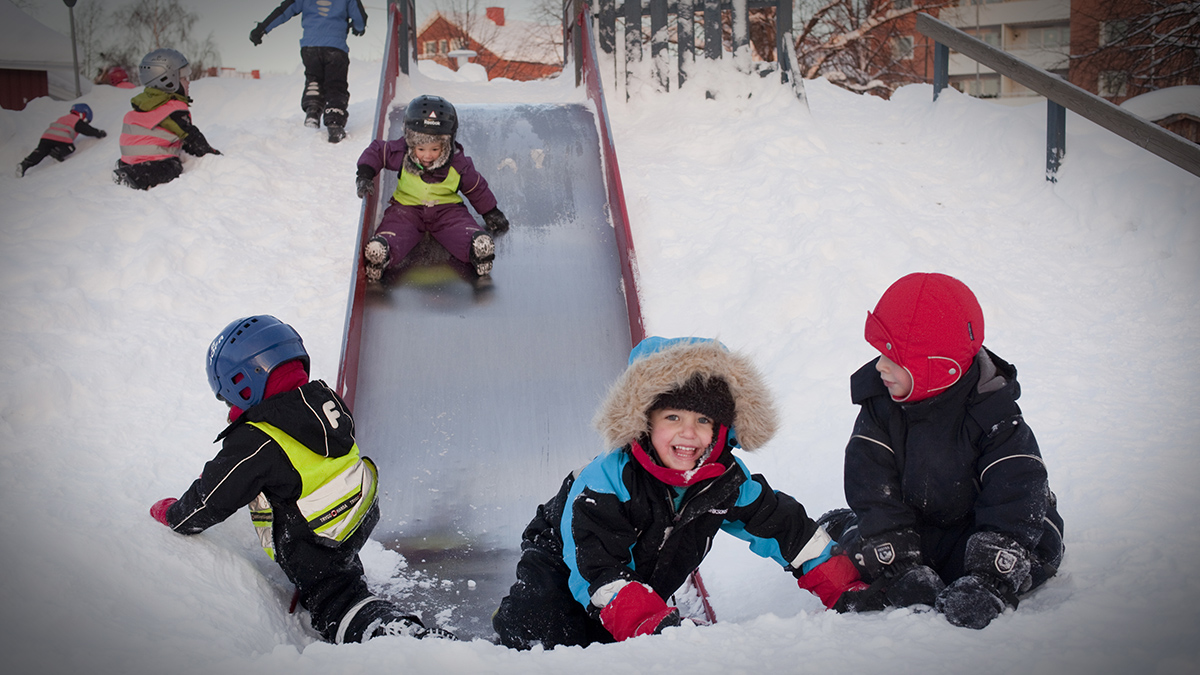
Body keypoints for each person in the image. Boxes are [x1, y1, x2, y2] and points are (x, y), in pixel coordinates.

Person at [492, 336, 867, 650]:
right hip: (567, 563)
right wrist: (650, 625)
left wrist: (847, 589)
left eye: (702, 421)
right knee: (547, 637)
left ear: (721, 430)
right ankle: (506, 637)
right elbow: (598, 571)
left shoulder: (723, 480)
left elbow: (787, 530)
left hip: (641, 575)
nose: (688, 434)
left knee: (619, 645)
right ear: (644, 421)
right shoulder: (607, 482)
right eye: (673, 418)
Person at [148, 315, 455, 644]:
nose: (229, 407)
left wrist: (177, 514)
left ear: (246, 380)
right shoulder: (321, 400)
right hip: (353, 513)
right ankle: (343, 578)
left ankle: (397, 637)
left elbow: (213, 498)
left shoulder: (257, 440)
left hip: (314, 534)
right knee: (337, 566)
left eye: (228, 398)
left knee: (333, 598)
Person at [820, 272, 1065, 629]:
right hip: (916, 525)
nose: (879, 367)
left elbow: (1015, 491)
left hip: (978, 526)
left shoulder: (994, 415)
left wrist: (987, 579)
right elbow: (871, 483)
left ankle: (985, 571)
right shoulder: (881, 404)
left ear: (937, 368)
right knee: (864, 549)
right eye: (880, 354)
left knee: (1038, 545)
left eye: (893, 358)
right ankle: (848, 526)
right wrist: (900, 565)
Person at [355, 94, 509, 289]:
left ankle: (476, 248)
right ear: (411, 142)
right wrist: (365, 174)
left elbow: (476, 187)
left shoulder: (457, 162)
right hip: (407, 208)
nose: (427, 155)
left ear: (447, 144)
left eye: (435, 149)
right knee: (397, 228)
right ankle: (383, 251)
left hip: (447, 210)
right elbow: (378, 151)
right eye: (421, 148)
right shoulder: (403, 153)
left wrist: (490, 212)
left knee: (460, 228)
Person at [249, 0, 368, 143]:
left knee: (314, 79)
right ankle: (334, 122)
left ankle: (312, 109)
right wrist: (358, 28)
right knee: (336, 84)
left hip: (310, 46)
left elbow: (283, 11)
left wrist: (262, 29)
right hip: (335, 47)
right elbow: (360, 18)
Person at [113, 48, 221, 191]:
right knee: (173, 167)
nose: (188, 82)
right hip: (150, 161)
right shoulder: (173, 108)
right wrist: (213, 155)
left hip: (128, 159)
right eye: (183, 78)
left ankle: (128, 169)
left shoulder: (148, 102)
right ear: (168, 81)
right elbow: (192, 137)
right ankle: (135, 177)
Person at [17, 104, 106, 178]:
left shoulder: (62, 118)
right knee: (70, 147)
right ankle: (57, 152)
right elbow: (87, 130)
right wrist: (99, 133)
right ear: (83, 113)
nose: (85, 121)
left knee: (40, 152)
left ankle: (25, 164)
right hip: (61, 138)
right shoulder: (75, 120)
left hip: (46, 136)